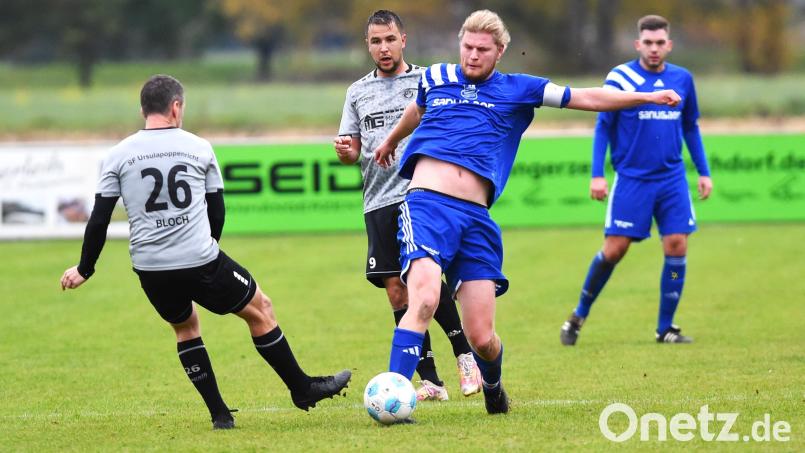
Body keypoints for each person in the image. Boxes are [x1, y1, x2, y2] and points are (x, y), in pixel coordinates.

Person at [374, 10, 681, 415]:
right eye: (467, 47)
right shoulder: (436, 78)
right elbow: (417, 109)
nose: (472, 56)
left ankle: (494, 386)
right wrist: (390, 141)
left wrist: (646, 96)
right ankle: (394, 398)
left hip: (477, 220)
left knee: (482, 338)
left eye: (482, 50)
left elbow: (586, 97)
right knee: (426, 298)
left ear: (500, 52)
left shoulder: (520, 89)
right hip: (426, 205)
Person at [60, 75, 351, 430]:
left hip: (151, 268)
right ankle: (302, 389)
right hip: (200, 260)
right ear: (176, 106)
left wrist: (85, 269)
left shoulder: (118, 155)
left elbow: (99, 219)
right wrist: (208, 246)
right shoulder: (198, 146)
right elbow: (217, 210)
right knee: (261, 309)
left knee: (185, 327)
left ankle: (220, 414)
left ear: (143, 110)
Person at [334, 10, 482, 402]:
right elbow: (351, 152)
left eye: (389, 39)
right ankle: (431, 381)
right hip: (377, 200)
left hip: (422, 196)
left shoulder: (425, 82)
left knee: (426, 282)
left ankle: (466, 356)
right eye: (375, 41)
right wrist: (347, 152)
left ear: (404, 39)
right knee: (397, 292)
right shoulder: (357, 92)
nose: (383, 48)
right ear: (368, 45)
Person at [560, 15, 712, 346]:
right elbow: (603, 126)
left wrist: (703, 171)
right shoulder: (621, 77)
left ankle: (666, 327)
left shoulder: (682, 80)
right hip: (632, 180)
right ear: (638, 44)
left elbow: (691, 127)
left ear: (668, 45)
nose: (654, 48)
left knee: (677, 246)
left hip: (671, 179)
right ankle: (578, 315)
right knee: (614, 250)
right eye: (648, 42)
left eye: (660, 43)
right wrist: (597, 174)